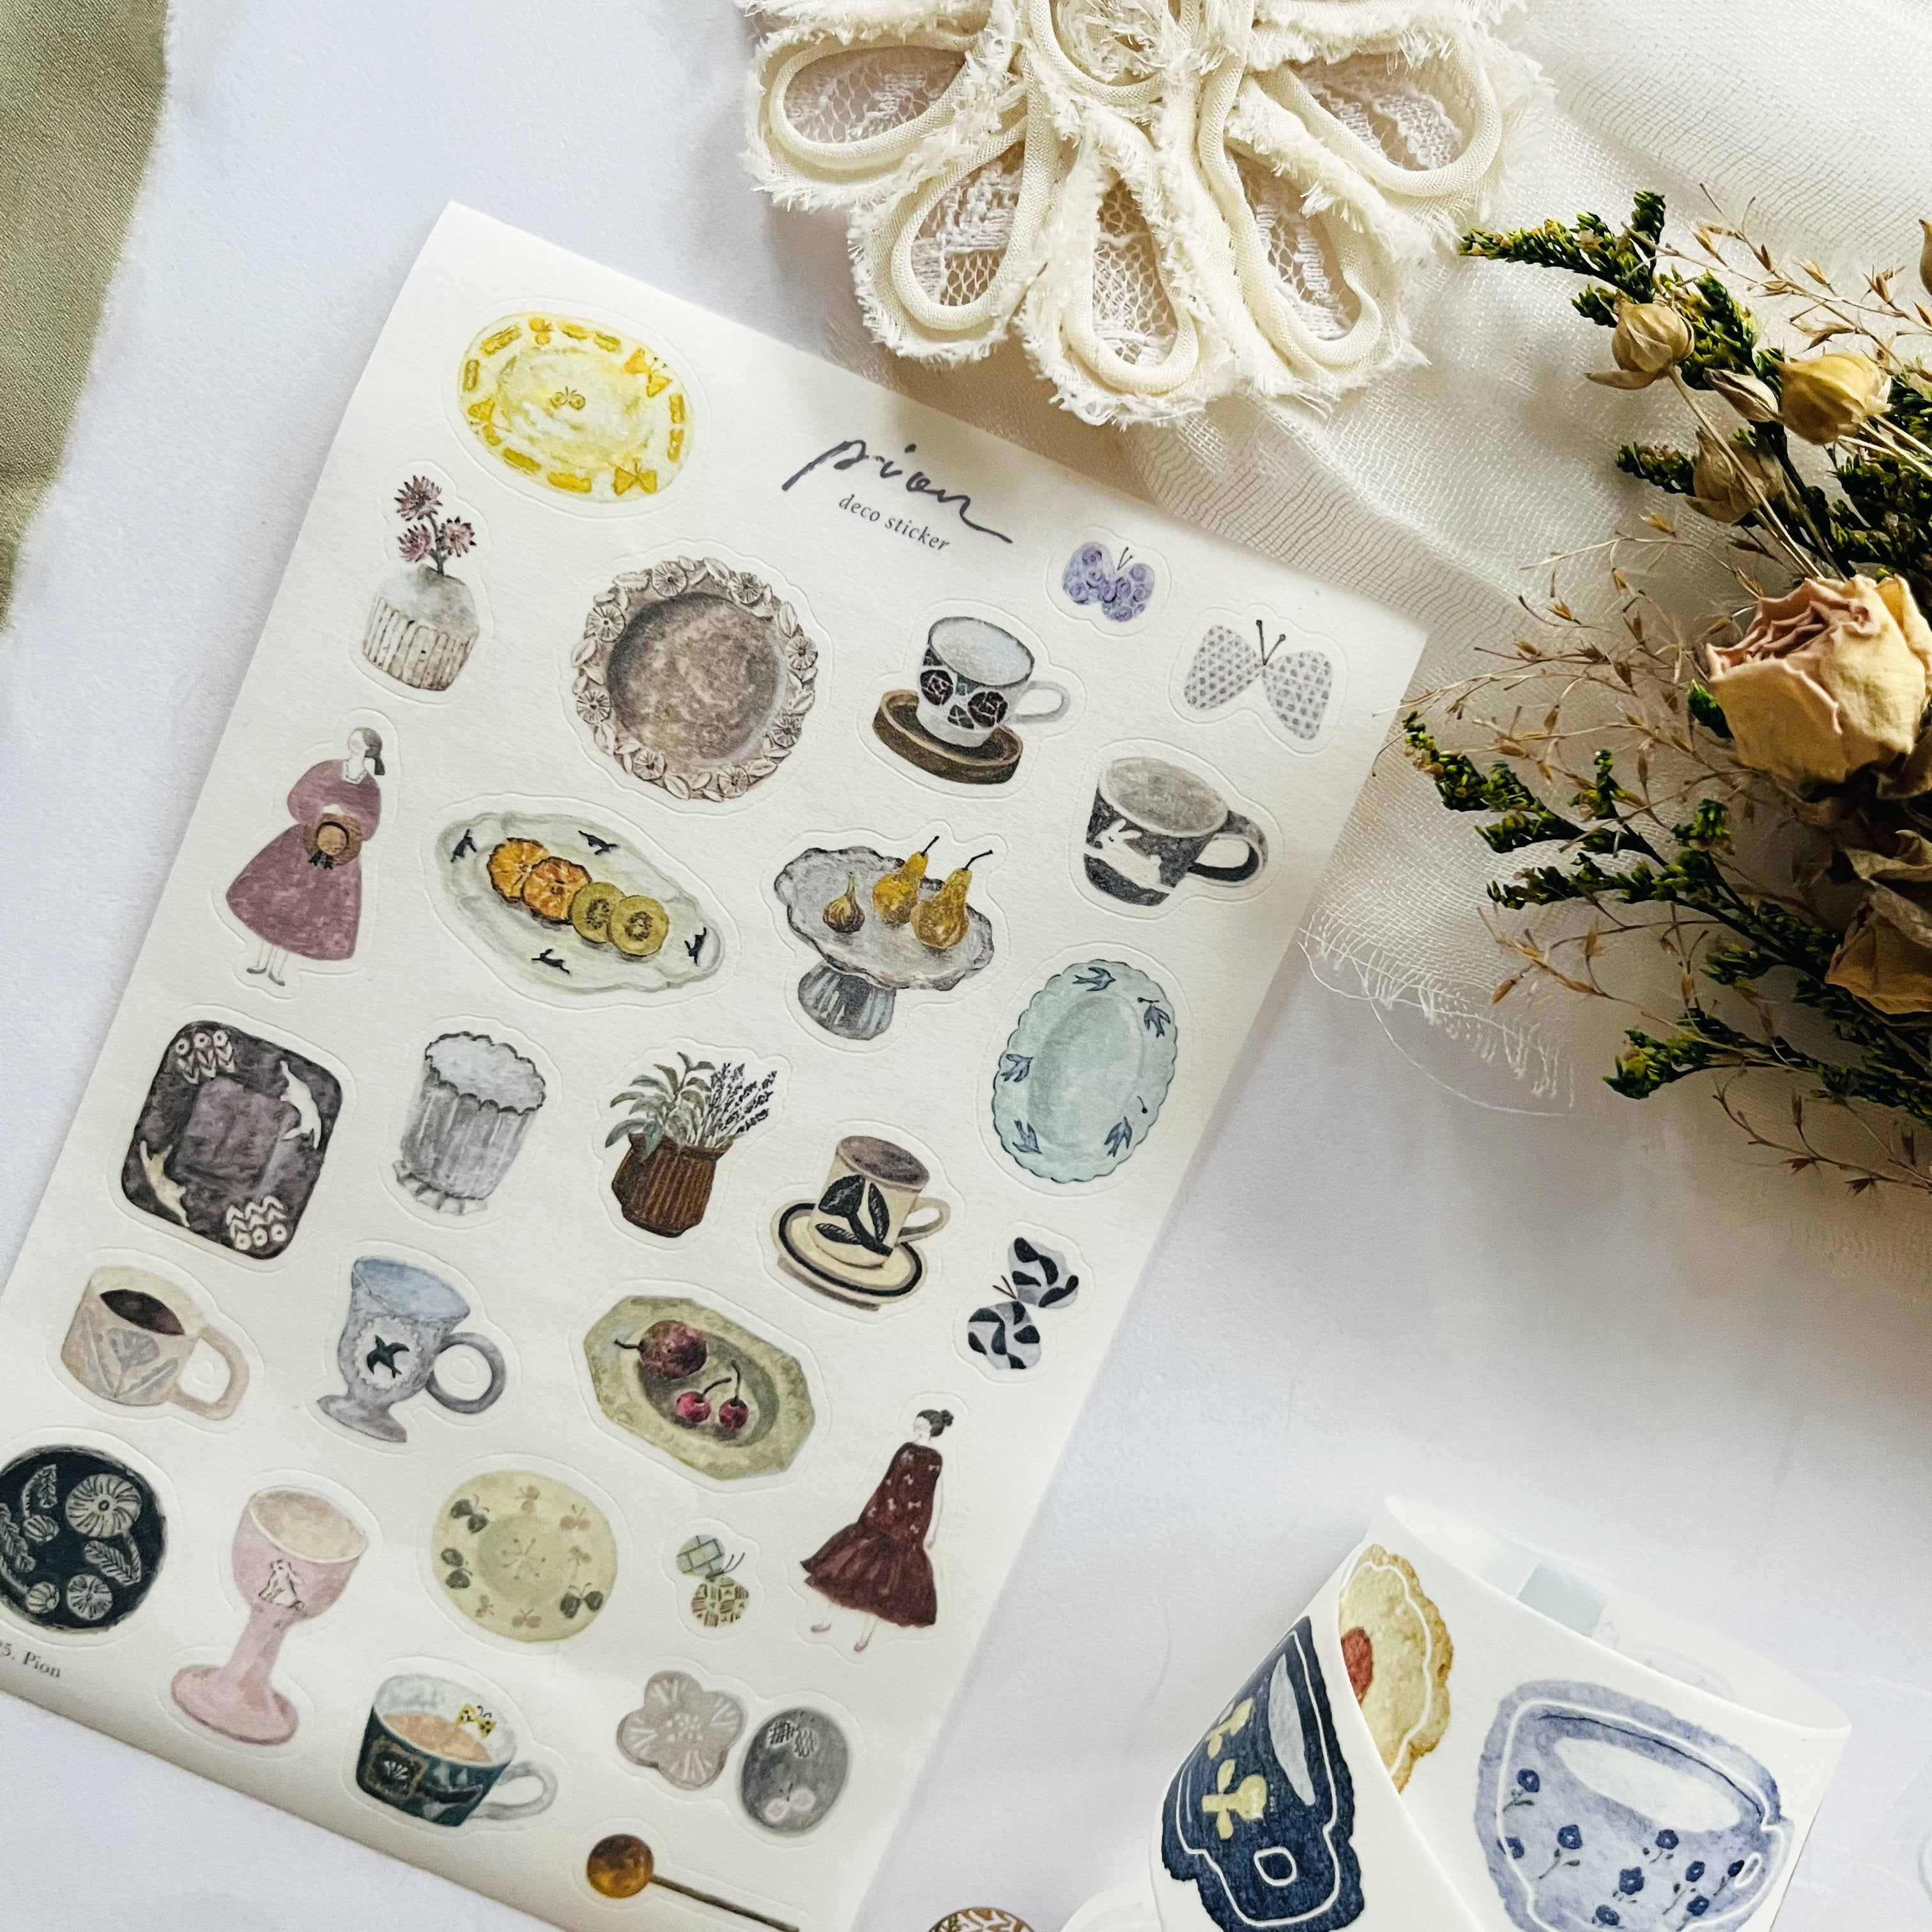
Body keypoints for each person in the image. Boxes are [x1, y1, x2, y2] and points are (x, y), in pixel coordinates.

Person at [226, 728, 385, 985]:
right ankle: (260, 962)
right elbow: (299, 796)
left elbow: (369, 826)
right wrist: (322, 810)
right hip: (303, 845)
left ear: (369, 749)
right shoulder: (328, 769)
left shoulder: (370, 787)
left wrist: (346, 815)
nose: (353, 740)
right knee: (278, 902)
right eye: (354, 736)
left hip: (339, 857)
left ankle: (277, 970)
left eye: (360, 739)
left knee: (307, 913)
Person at [802, 1407, 951, 1654]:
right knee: (850, 1572)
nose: (916, 1423)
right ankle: (827, 1621)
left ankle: (865, 1637)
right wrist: (873, 1511)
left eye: (921, 1421)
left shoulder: (936, 1459)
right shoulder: (906, 1448)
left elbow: (937, 1493)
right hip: (883, 1517)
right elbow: (888, 1482)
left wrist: (932, 1530)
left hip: (910, 1526)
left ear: (930, 1426)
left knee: (885, 1586)